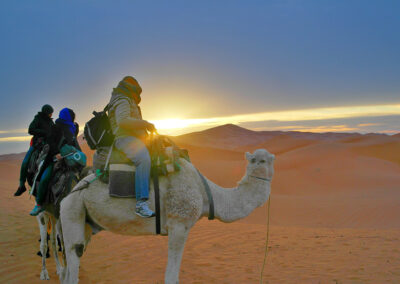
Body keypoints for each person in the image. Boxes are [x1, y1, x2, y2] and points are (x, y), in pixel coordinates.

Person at [108, 76, 156, 218]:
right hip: (124, 138)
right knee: (143, 159)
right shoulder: (122, 99)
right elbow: (122, 121)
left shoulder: (126, 99)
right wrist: (145, 124)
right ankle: (141, 204)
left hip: (133, 138)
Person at [30, 108, 81, 216]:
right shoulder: (55, 127)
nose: (72, 118)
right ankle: (39, 204)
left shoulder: (73, 127)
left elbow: (74, 141)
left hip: (70, 156)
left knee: (83, 172)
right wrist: (56, 153)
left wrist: (79, 153)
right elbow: (50, 141)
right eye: (71, 116)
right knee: (45, 177)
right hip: (55, 157)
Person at [14, 104, 54, 196]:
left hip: (47, 145)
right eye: (50, 113)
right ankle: (21, 185)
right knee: (25, 162)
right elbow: (30, 130)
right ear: (46, 113)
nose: (51, 115)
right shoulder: (37, 119)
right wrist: (43, 132)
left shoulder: (51, 122)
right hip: (36, 144)